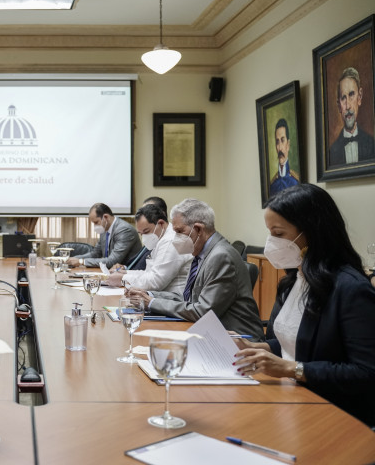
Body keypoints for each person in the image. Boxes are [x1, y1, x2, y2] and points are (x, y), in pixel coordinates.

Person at [234, 184, 375, 426]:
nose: (271, 243)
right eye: (269, 233)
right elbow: (293, 343)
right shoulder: (293, 280)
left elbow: (366, 372)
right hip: (290, 397)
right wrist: (256, 347)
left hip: (332, 413)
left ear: (312, 232)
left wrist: (292, 369)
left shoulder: (351, 289)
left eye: (278, 234)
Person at [127, 198, 264, 339]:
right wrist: (149, 295)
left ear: (198, 229)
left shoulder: (220, 256)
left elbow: (203, 311)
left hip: (240, 341)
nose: (175, 238)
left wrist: (152, 303)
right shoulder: (202, 253)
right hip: (212, 333)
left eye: (179, 231)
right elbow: (189, 299)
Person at [106, 203, 191, 293]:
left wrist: (123, 279)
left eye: (146, 231)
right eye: (141, 233)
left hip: (172, 298)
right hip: (161, 295)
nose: (144, 237)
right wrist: (126, 273)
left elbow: (156, 281)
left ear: (161, 224)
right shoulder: (161, 239)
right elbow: (149, 273)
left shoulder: (171, 241)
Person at [66, 203, 142, 269]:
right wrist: (73, 259)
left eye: (96, 222)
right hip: (113, 272)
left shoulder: (124, 230)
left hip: (129, 273)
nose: (95, 226)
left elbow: (112, 261)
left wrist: (81, 262)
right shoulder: (105, 228)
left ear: (106, 217)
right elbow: (95, 253)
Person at [329, 67, 375, 166]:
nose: (348, 106)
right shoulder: (332, 152)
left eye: (351, 94)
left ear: (359, 97)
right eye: (343, 98)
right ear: (339, 106)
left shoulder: (371, 143)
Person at [269, 118, 300, 196]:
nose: (280, 148)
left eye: (282, 141)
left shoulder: (295, 181)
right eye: (277, 142)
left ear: (288, 145)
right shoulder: (272, 185)